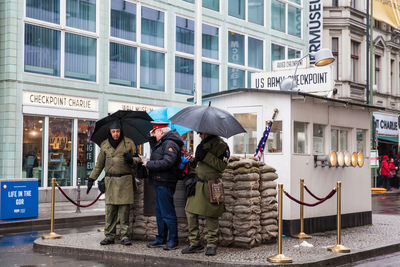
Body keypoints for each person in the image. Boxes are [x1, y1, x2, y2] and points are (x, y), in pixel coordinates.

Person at [87, 120, 140, 246]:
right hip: (110, 181)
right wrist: (91, 179)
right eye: (113, 131)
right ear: (110, 132)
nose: (116, 134)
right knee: (110, 211)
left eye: (117, 131)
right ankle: (109, 236)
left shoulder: (129, 143)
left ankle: (124, 236)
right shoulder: (105, 145)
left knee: (124, 211)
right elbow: (99, 165)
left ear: (120, 131)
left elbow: (139, 159)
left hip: (125, 181)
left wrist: (131, 159)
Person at [181, 132, 230, 256]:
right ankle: (194, 243)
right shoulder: (201, 145)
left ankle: (212, 244)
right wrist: (193, 160)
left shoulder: (222, 146)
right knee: (190, 212)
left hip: (212, 185)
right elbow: (199, 165)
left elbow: (222, 166)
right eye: (198, 133)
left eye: (201, 133)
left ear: (208, 132)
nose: (199, 135)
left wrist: (206, 156)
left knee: (211, 215)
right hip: (198, 183)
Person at [144, 122, 183, 251]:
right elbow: (157, 151)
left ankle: (173, 239)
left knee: (167, 212)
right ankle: (161, 238)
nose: (153, 134)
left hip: (166, 181)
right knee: (160, 212)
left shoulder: (170, 143)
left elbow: (167, 162)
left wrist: (149, 164)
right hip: (159, 181)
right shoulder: (163, 143)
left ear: (161, 132)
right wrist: (151, 138)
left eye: (154, 132)